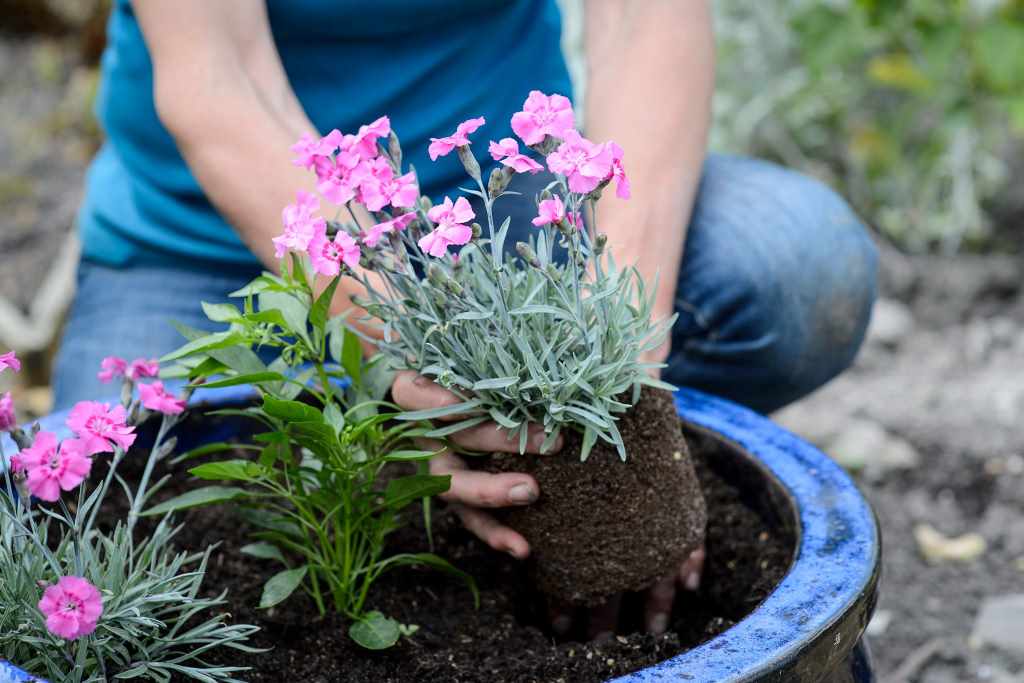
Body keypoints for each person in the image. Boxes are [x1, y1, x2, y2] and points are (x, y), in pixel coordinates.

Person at [53, 0, 877, 640]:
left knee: (796, 269)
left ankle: (513, 486)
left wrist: (621, 348)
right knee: (105, 536)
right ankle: (398, 460)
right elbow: (220, 82)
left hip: (502, 207)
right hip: (202, 238)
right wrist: (401, 362)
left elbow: (642, 19)